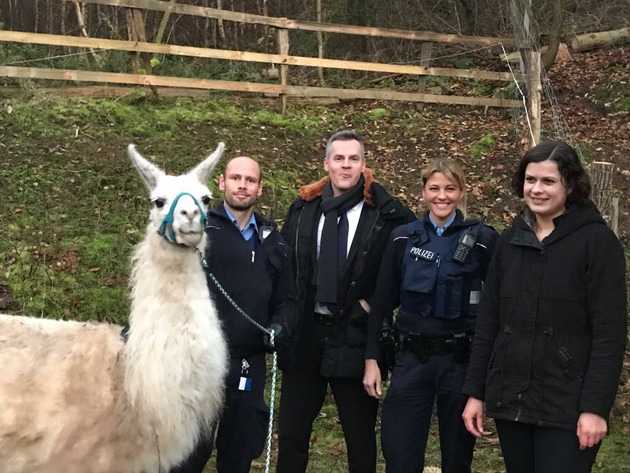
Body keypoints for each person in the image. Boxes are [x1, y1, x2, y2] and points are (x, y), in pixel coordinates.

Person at [462, 141, 627, 473]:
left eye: (548, 181)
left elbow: (609, 335)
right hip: (513, 403)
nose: (536, 189)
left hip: (567, 405)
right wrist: (475, 392)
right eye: (530, 180)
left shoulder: (597, 244)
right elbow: (489, 323)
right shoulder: (510, 242)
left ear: (570, 184)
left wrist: (594, 408)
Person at [277, 129, 415, 473]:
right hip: (306, 335)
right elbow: (286, 262)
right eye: (338, 158)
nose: (346, 165)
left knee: (360, 437)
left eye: (354, 159)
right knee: (293, 434)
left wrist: (381, 305)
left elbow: (413, 253)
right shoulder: (304, 209)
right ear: (326, 163)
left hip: (354, 336)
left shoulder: (381, 215)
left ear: (364, 166)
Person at [364, 158, 498, 473]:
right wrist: (372, 358)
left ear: (462, 192)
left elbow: (498, 307)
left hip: (459, 362)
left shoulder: (483, 240)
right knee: (400, 454)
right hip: (412, 359)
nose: (442, 196)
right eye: (434, 188)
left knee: (457, 458)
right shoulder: (403, 238)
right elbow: (382, 302)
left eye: (450, 188)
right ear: (423, 192)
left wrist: (484, 375)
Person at [171, 156, 295, 473]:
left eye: (250, 180)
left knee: (239, 451)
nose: (243, 185)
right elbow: (169, 286)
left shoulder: (273, 239)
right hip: (199, 361)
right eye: (236, 178)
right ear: (222, 183)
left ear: (260, 188)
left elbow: (287, 297)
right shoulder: (199, 231)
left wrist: (281, 325)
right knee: (188, 454)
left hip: (248, 362)